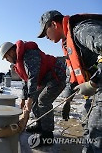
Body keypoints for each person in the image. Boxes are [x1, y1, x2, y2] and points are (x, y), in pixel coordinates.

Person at [37, 10, 102, 153]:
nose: (45, 37)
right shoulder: (68, 42)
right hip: (94, 92)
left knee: (96, 133)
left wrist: (94, 82)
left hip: (98, 88)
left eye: (45, 32)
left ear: (54, 24)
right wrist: (67, 99)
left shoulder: (82, 30)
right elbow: (71, 74)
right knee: (87, 125)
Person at [0, 40, 66, 146]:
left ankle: (47, 135)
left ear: (11, 52)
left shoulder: (29, 54)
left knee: (43, 101)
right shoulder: (18, 61)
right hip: (46, 79)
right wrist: (24, 99)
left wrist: (29, 99)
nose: (7, 60)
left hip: (57, 75)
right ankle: (40, 124)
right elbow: (25, 81)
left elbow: (33, 77)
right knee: (34, 100)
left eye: (7, 58)